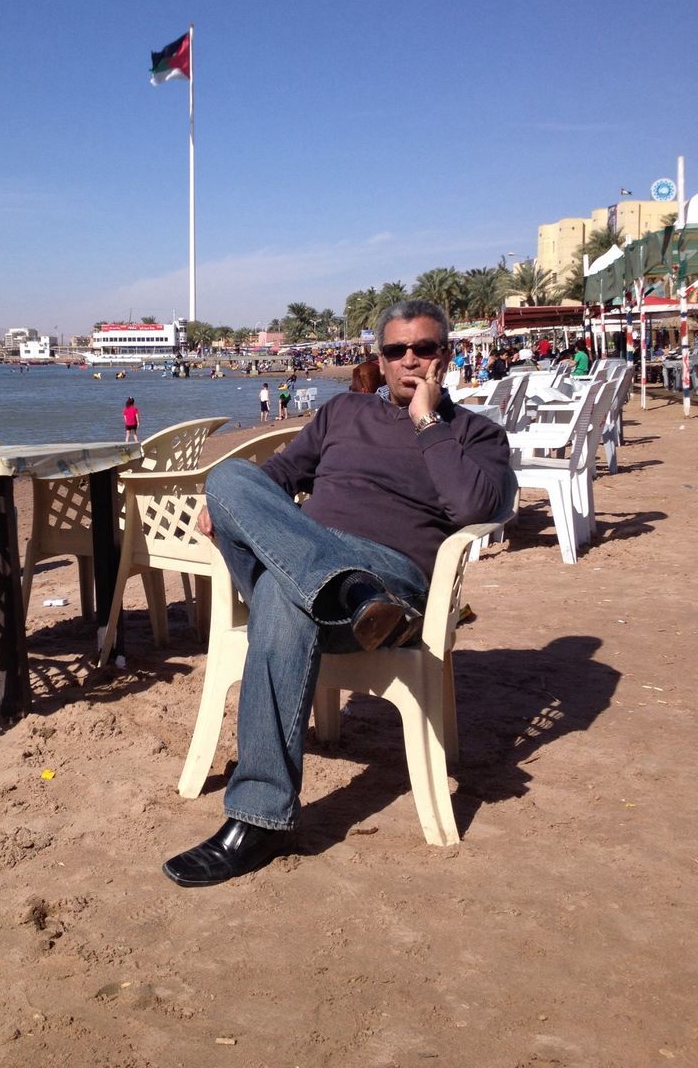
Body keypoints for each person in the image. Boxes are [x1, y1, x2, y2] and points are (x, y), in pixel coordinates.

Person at [161, 300, 510, 888]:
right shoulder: (342, 412)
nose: (409, 361)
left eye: (424, 349)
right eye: (396, 350)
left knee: (277, 594)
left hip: (391, 591)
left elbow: (480, 509)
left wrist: (429, 425)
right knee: (226, 478)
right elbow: (274, 478)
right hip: (341, 587)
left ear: (446, 356)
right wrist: (226, 508)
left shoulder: (475, 434)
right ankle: (342, 588)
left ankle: (259, 820)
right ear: (380, 357)